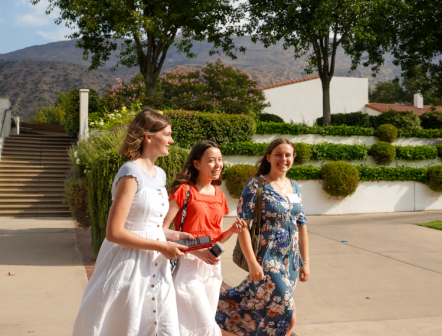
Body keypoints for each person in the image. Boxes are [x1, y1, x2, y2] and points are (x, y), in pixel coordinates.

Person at [72, 108, 191, 336]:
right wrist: (161, 246)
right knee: (128, 322)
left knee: (158, 323)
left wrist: (172, 236)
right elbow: (114, 232)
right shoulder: (130, 172)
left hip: (156, 263)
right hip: (128, 264)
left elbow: (148, 224)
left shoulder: (161, 174)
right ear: (148, 137)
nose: (171, 140)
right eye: (166, 134)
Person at [216, 138, 310, 336]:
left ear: (293, 158)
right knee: (286, 310)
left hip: (290, 262)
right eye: (278, 154)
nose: (283, 159)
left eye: (288, 155)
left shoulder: (296, 187)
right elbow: (243, 227)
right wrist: (252, 263)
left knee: (264, 307)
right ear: (269, 157)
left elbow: (301, 226)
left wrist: (305, 262)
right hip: (267, 259)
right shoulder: (255, 186)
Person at [163, 141, 247, 336]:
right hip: (186, 264)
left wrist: (231, 231)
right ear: (197, 164)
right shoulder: (184, 191)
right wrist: (195, 251)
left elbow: (215, 238)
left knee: (201, 320)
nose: (218, 165)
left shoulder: (220, 196)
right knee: (205, 325)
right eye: (211, 160)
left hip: (211, 267)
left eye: (220, 160)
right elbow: (161, 231)